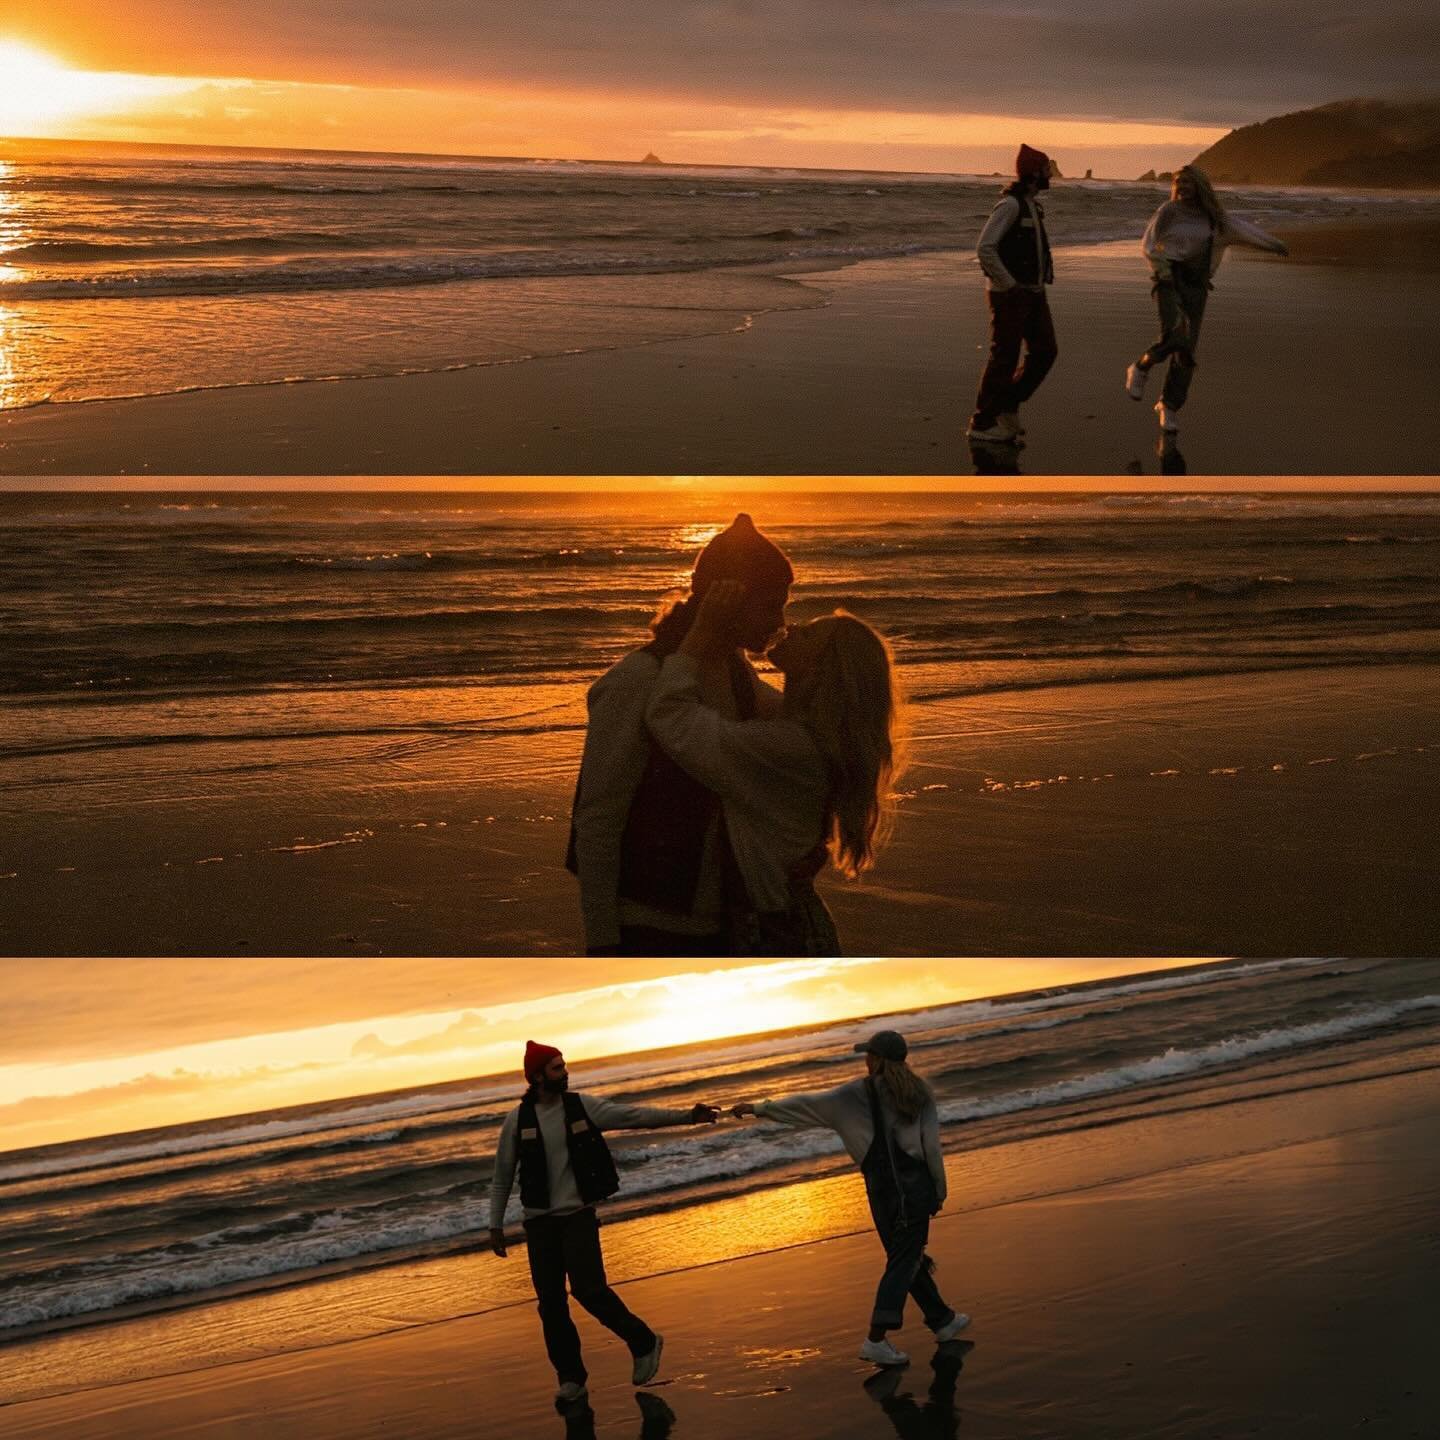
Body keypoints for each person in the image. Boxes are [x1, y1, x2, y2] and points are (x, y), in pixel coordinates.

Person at [567, 514, 793, 957]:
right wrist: (602, 940)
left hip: (722, 912)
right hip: (650, 917)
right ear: (725, 600)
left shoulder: (734, 672)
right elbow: (597, 817)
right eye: (770, 605)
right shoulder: (638, 679)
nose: (779, 619)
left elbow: (797, 724)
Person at [643, 578, 902, 956]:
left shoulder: (790, 747)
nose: (793, 627)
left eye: (810, 635)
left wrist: (700, 633)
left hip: (771, 934)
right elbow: (750, 688)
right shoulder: (807, 731)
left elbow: (670, 717)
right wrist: (728, 637)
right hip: (792, 925)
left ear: (822, 668)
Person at [488, 1041, 722, 1405]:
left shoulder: (582, 1106)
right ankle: (571, 1379)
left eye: (563, 1066)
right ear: (536, 1077)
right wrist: (495, 1225)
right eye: (556, 1068)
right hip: (539, 1225)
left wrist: (688, 1116)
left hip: (578, 1216)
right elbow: (502, 1175)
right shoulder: (517, 1121)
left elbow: (634, 1117)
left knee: (589, 1290)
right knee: (551, 1305)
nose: (564, 1072)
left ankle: (643, 1341)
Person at [731, 1030, 968, 1366]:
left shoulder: (852, 1095)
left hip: (879, 1189)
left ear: (877, 1059)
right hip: (913, 1188)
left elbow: (805, 1104)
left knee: (905, 1256)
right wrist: (940, 1190)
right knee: (906, 1257)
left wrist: (759, 1108)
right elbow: (930, 1147)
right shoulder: (920, 1092)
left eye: (868, 1055)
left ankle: (942, 1320)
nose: (865, 1060)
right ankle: (876, 1339)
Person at [1125, 165, 1289, 432]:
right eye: (1180, 182)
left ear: (1200, 186)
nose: (1183, 187)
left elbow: (1245, 231)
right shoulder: (1168, 211)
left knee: (1186, 350)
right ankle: (1141, 366)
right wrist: (1161, 269)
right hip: (1168, 280)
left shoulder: (1215, 219)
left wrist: (1276, 246)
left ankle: (1168, 406)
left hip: (1197, 287)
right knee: (1175, 335)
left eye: (1189, 182)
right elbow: (1148, 243)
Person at [966, 144, 1058, 445]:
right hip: (1010, 295)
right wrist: (1009, 284)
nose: (1051, 175)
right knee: (1004, 357)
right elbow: (985, 247)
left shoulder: (1032, 204)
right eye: (1047, 170)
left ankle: (1007, 405)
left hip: (1032, 293)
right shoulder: (1011, 205)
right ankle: (983, 421)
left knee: (1045, 351)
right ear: (1034, 173)